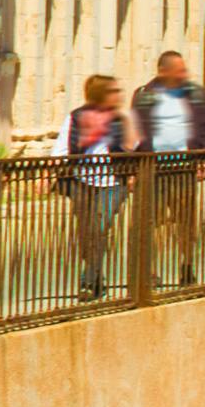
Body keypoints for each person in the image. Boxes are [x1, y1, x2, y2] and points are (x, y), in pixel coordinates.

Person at [55, 73, 130, 294]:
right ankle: (95, 275)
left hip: (113, 183)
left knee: (99, 225)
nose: (118, 96)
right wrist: (49, 174)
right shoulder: (76, 117)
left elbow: (134, 148)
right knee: (87, 231)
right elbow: (61, 149)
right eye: (113, 92)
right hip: (82, 183)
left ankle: (89, 278)